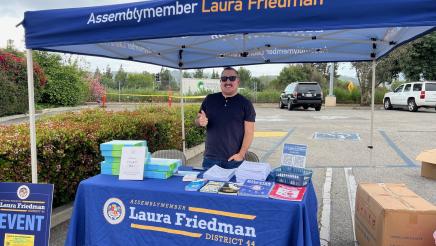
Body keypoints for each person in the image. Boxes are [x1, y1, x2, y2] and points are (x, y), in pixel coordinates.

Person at [195, 67, 256, 169]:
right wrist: (199, 121)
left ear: (238, 81)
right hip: (210, 160)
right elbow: (197, 120)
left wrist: (241, 154)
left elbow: (249, 132)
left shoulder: (246, 104)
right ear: (220, 81)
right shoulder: (209, 99)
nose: (228, 81)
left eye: (232, 78)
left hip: (233, 161)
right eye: (224, 78)